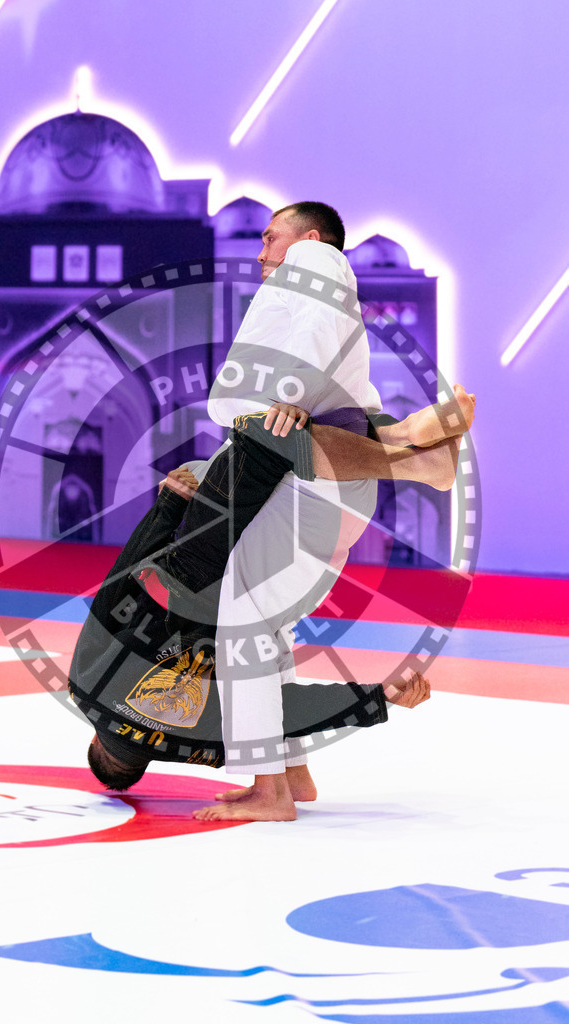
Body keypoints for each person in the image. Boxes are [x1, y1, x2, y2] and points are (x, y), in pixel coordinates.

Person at [190, 201, 475, 821]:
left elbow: (307, 335)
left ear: (309, 239)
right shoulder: (317, 281)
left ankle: (271, 790)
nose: (261, 251)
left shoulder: (314, 262)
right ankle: (291, 769)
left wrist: (284, 396)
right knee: (271, 623)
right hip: (327, 477)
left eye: (271, 237)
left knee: (244, 621)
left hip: (316, 477)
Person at [71, 407, 461, 801]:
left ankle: (297, 774)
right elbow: (114, 591)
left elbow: (284, 710)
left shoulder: (204, 747)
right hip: (191, 576)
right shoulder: (86, 691)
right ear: (95, 740)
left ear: (144, 763)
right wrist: (166, 508)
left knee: (270, 645)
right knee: (258, 438)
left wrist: (375, 698)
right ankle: (404, 447)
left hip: (270, 600)